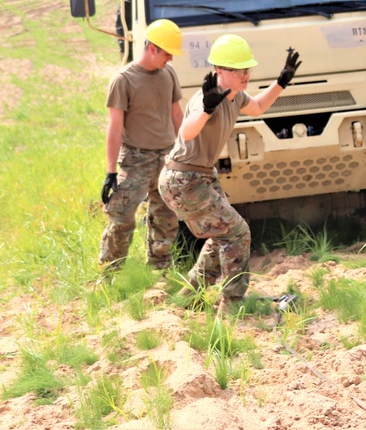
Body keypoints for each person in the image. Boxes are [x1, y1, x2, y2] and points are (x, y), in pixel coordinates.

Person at [159, 34, 300, 315]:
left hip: (200, 177)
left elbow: (258, 107)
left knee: (223, 235)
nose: (246, 75)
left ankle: (191, 295)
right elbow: (187, 132)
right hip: (183, 180)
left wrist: (281, 82)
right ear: (220, 71)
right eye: (238, 70)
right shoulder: (205, 99)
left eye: (247, 69)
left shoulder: (236, 97)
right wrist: (208, 109)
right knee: (237, 231)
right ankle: (232, 304)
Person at [100, 19, 185, 272]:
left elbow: (177, 115)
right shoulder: (123, 80)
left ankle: (159, 271)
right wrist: (111, 172)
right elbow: (115, 128)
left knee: (166, 218)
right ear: (152, 48)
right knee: (121, 219)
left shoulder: (168, 74)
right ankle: (110, 272)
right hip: (135, 160)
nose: (170, 59)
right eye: (167, 53)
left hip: (166, 157)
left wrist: (186, 154)